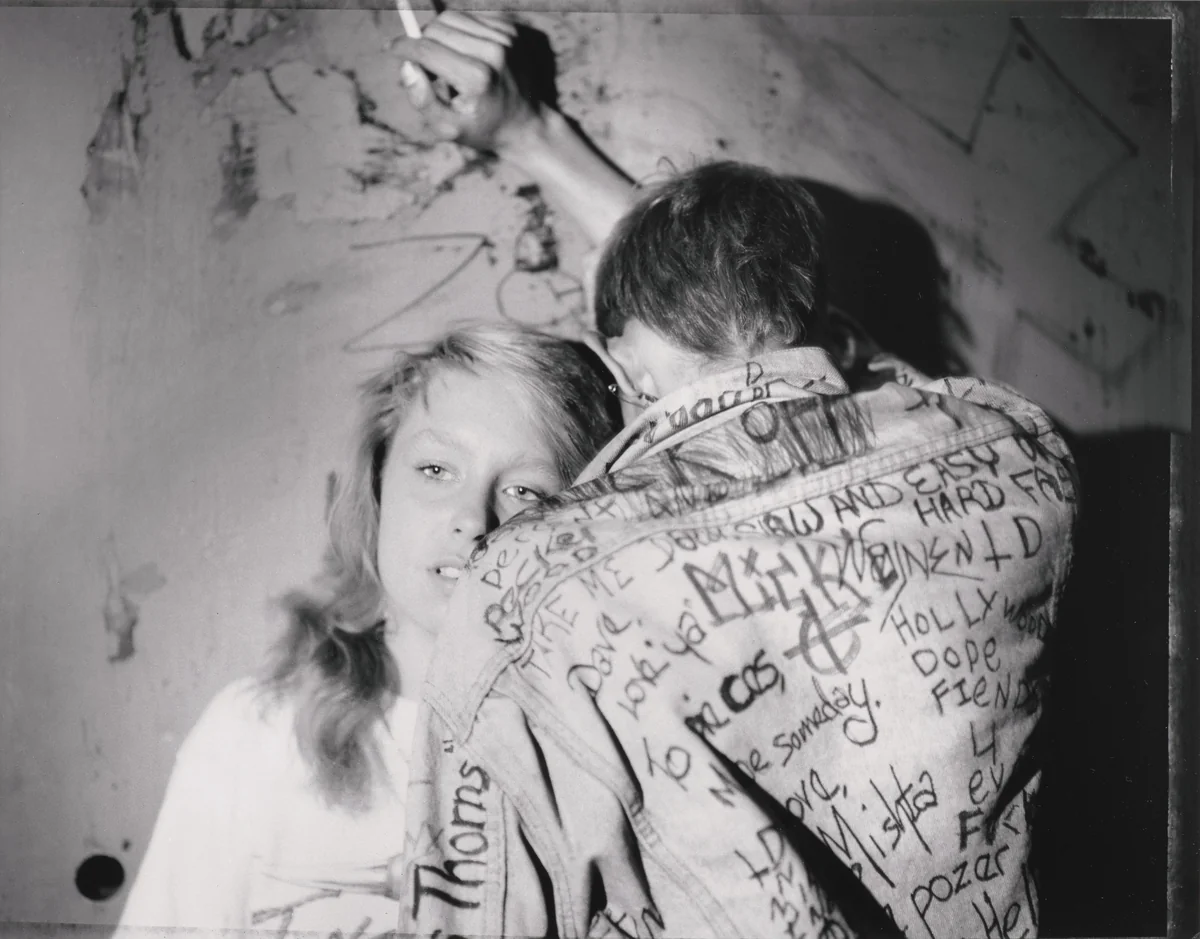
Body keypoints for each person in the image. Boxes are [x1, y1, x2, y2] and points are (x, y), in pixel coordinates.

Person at [393, 14, 1078, 939]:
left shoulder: (521, 594)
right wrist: (534, 133)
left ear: (623, 369)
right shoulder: (1014, 451)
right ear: (815, 314)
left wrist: (522, 134)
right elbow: (839, 369)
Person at [114, 324, 620, 937]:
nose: (472, 519)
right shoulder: (251, 738)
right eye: (436, 469)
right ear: (379, 490)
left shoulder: (619, 755)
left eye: (525, 490)